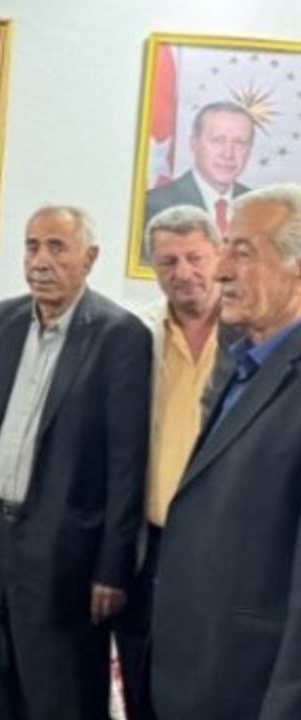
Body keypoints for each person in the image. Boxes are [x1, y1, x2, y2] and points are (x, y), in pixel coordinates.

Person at [0, 205, 151, 720]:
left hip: (68, 549)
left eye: (57, 247)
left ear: (90, 258)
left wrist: (113, 568)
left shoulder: (120, 336)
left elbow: (127, 465)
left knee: (59, 693)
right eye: (32, 246)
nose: (40, 261)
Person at [150, 184, 301, 720]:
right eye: (226, 248)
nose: (221, 271)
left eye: (244, 252)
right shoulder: (243, 363)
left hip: (252, 686)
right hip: (199, 670)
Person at [115, 204, 236, 720]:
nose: (183, 272)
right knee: (141, 671)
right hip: (149, 544)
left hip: (222, 544)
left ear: (219, 255)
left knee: (210, 678)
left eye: (195, 258)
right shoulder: (135, 334)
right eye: (168, 261)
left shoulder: (253, 333)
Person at [144, 101, 255, 239]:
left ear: (249, 150)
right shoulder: (153, 206)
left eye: (240, 143)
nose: (228, 154)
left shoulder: (259, 207)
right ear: (194, 144)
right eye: (217, 140)